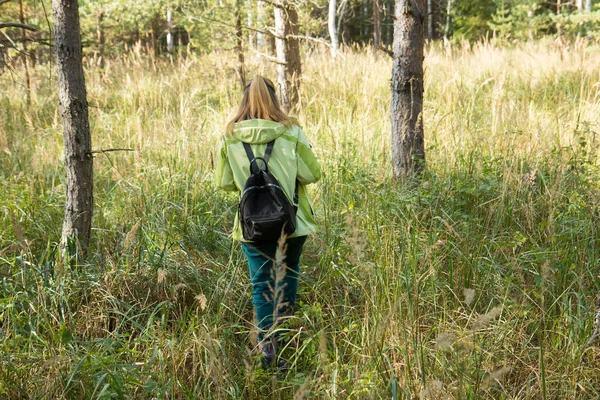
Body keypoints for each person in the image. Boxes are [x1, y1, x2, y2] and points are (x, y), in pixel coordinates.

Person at [214, 76, 321, 368]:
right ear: (275, 100)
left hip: (252, 227)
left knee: (262, 284)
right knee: (287, 276)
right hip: (293, 223)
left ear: (243, 101)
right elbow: (312, 175)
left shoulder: (230, 135)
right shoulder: (291, 131)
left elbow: (223, 183)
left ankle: (268, 349)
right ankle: (285, 341)